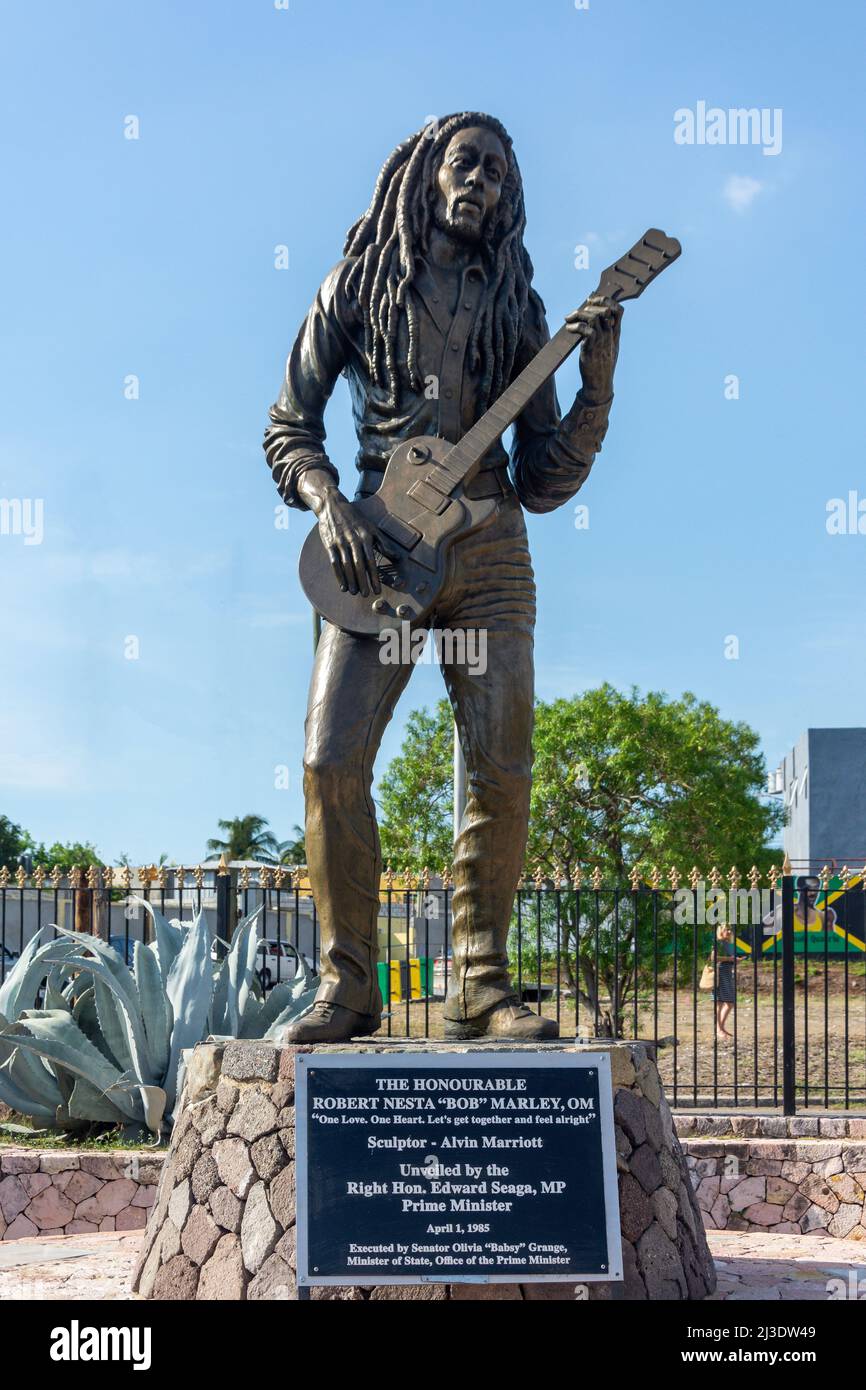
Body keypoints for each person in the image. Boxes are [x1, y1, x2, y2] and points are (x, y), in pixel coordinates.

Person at [263, 113, 622, 1042]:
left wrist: (597, 388)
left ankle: (481, 983)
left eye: (499, 172)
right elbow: (286, 426)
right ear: (428, 173)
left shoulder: (516, 308)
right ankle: (349, 987)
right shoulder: (358, 286)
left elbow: (545, 480)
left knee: (501, 770)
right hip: (377, 549)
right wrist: (330, 503)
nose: (483, 183)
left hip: (492, 548)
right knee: (328, 761)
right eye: (468, 163)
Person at [714, 923, 736, 1042]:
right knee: (720, 1002)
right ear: (720, 931)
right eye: (726, 930)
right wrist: (731, 959)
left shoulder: (727, 944)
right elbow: (713, 958)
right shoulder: (718, 943)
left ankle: (721, 1028)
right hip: (719, 975)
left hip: (727, 974)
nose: (729, 932)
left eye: (730, 930)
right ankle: (719, 1029)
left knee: (729, 1002)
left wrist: (735, 961)